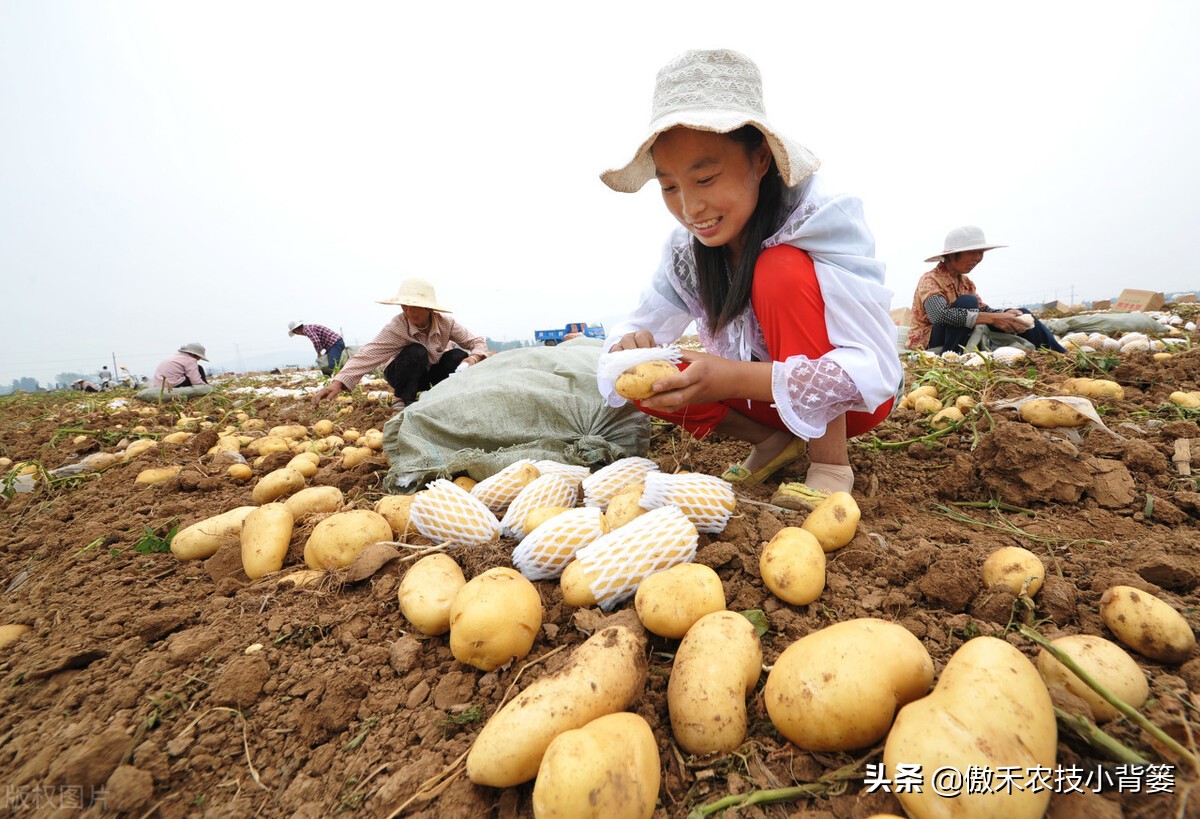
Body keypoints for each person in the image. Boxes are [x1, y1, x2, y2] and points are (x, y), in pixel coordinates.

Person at [599, 49, 901, 506]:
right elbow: (635, 327)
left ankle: (830, 465)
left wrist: (735, 378)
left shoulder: (820, 219)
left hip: (853, 404)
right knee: (638, 374)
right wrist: (630, 343)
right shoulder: (686, 253)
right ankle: (773, 441)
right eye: (669, 186)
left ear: (760, 159)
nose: (689, 208)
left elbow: (871, 370)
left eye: (706, 179)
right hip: (771, 404)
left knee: (778, 268)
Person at [311, 278, 488, 410]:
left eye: (414, 307)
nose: (409, 312)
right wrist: (338, 383)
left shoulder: (446, 323)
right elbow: (369, 354)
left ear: (428, 308)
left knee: (457, 356)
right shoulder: (398, 325)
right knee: (416, 351)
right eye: (405, 306)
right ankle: (402, 398)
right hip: (401, 374)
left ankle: (441, 397)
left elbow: (476, 342)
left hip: (428, 374)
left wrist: (472, 359)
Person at [906, 226, 1066, 353]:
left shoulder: (966, 283)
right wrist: (992, 318)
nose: (977, 258)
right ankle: (951, 357)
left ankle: (1057, 352)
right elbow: (939, 316)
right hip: (930, 338)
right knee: (968, 302)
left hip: (959, 332)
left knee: (1021, 313)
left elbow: (983, 309)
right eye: (972, 253)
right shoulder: (930, 279)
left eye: (980, 253)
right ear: (953, 255)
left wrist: (1005, 314)